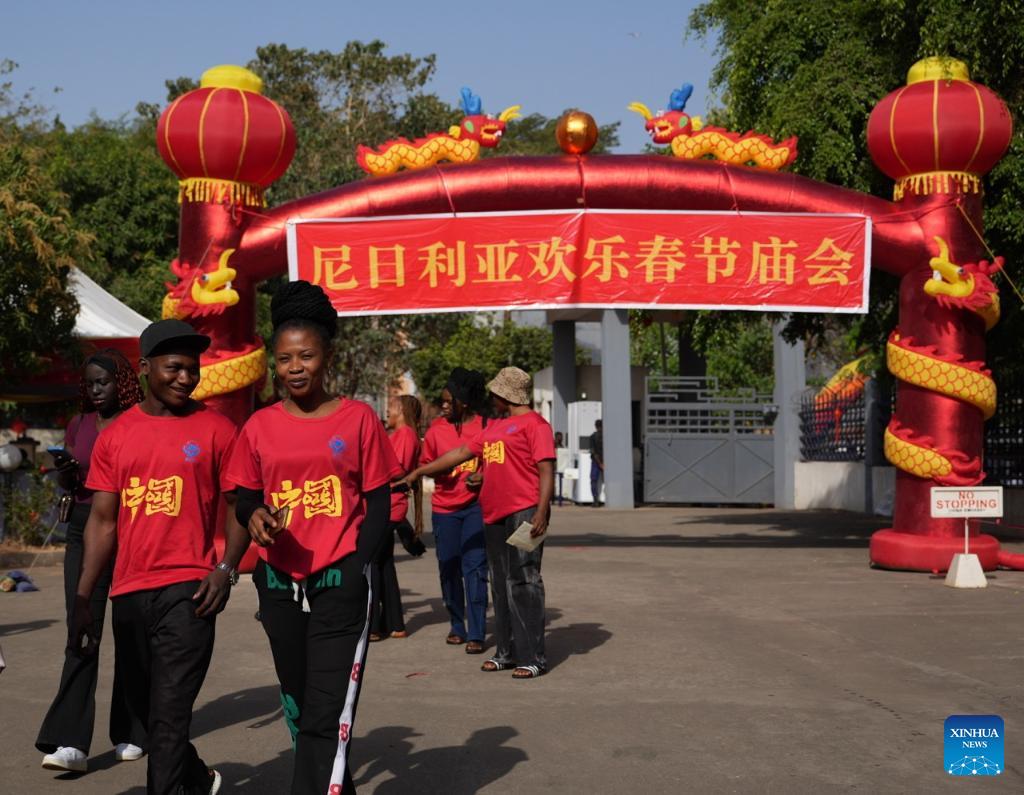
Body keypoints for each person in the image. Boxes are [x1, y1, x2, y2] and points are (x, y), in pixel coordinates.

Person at [226, 280, 400, 794]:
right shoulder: (259, 426)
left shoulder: (359, 419)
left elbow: (379, 502)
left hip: (339, 581)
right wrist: (255, 514)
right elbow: (244, 496)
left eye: (306, 356)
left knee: (328, 708)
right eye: (284, 359)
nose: (295, 367)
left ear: (327, 358)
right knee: (300, 699)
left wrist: (353, 569)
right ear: (273, 363)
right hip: (278, 583)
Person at [70, 319, 248, 795]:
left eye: (193, 370)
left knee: (170, 714)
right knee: (152, 715)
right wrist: (84, 595)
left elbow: (239, 509)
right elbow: (103, 521)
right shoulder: (117, 435)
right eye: (174, 368)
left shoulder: (216, 428)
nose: (186, 379)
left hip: (190, 591)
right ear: (146, 368)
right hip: (129, 590)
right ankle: (199, 777)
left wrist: (225, 570)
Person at [405, 367, 555, 679]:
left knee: (525, 581)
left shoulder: (536, 426)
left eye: (495, 393)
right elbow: (460, 453)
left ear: (506, 395)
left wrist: (541, 511)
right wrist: (421, 471)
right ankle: (506, 653)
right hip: (494, 514)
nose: (490, 398)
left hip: (525, 513)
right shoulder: (495, 428)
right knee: (500, 585)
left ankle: (534, 658)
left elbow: (545, 471)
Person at [37, 350, 146, 773]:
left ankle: (131, 730)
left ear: (123, 382)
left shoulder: (138, 422)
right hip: (85, 527)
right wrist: (65, 470)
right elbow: (71, 481)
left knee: (131, 627)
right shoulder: (79, 424)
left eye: (104, 382)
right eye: (91, 383)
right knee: (82, 627)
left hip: (130, 525)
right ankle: (70, 742)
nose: (97, 390)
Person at [419, 367, 490, 654]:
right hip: (444, 509)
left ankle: (476, 632)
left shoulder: (486, 426)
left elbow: (498, 463)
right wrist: (440, 474)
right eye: (442, 401)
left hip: (476, 508)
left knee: (475, 569)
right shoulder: (436, 430)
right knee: (448, 567)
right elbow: (427, 466)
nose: (443, 406)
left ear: (464, 402)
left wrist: (484, 477)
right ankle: (456, 624)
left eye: (448, 401)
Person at [369, 394, 423, 641]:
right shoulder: (403, 434)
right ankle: (395, 623)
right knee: (385, 564)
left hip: (389, 505)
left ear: (401, 410)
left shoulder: (404, 435)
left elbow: (397, 469)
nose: (387, 411)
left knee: (373, 562)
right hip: (390, 504)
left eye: (390, 407)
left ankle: (374, 627)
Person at [589, 419, 604, 506]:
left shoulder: (592, 437)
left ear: (595, 426)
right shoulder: (607, 436)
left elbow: (593, 452)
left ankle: (595, 500)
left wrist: (600, 464)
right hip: (605, 462)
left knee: (593, 480)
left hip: (596, 462)